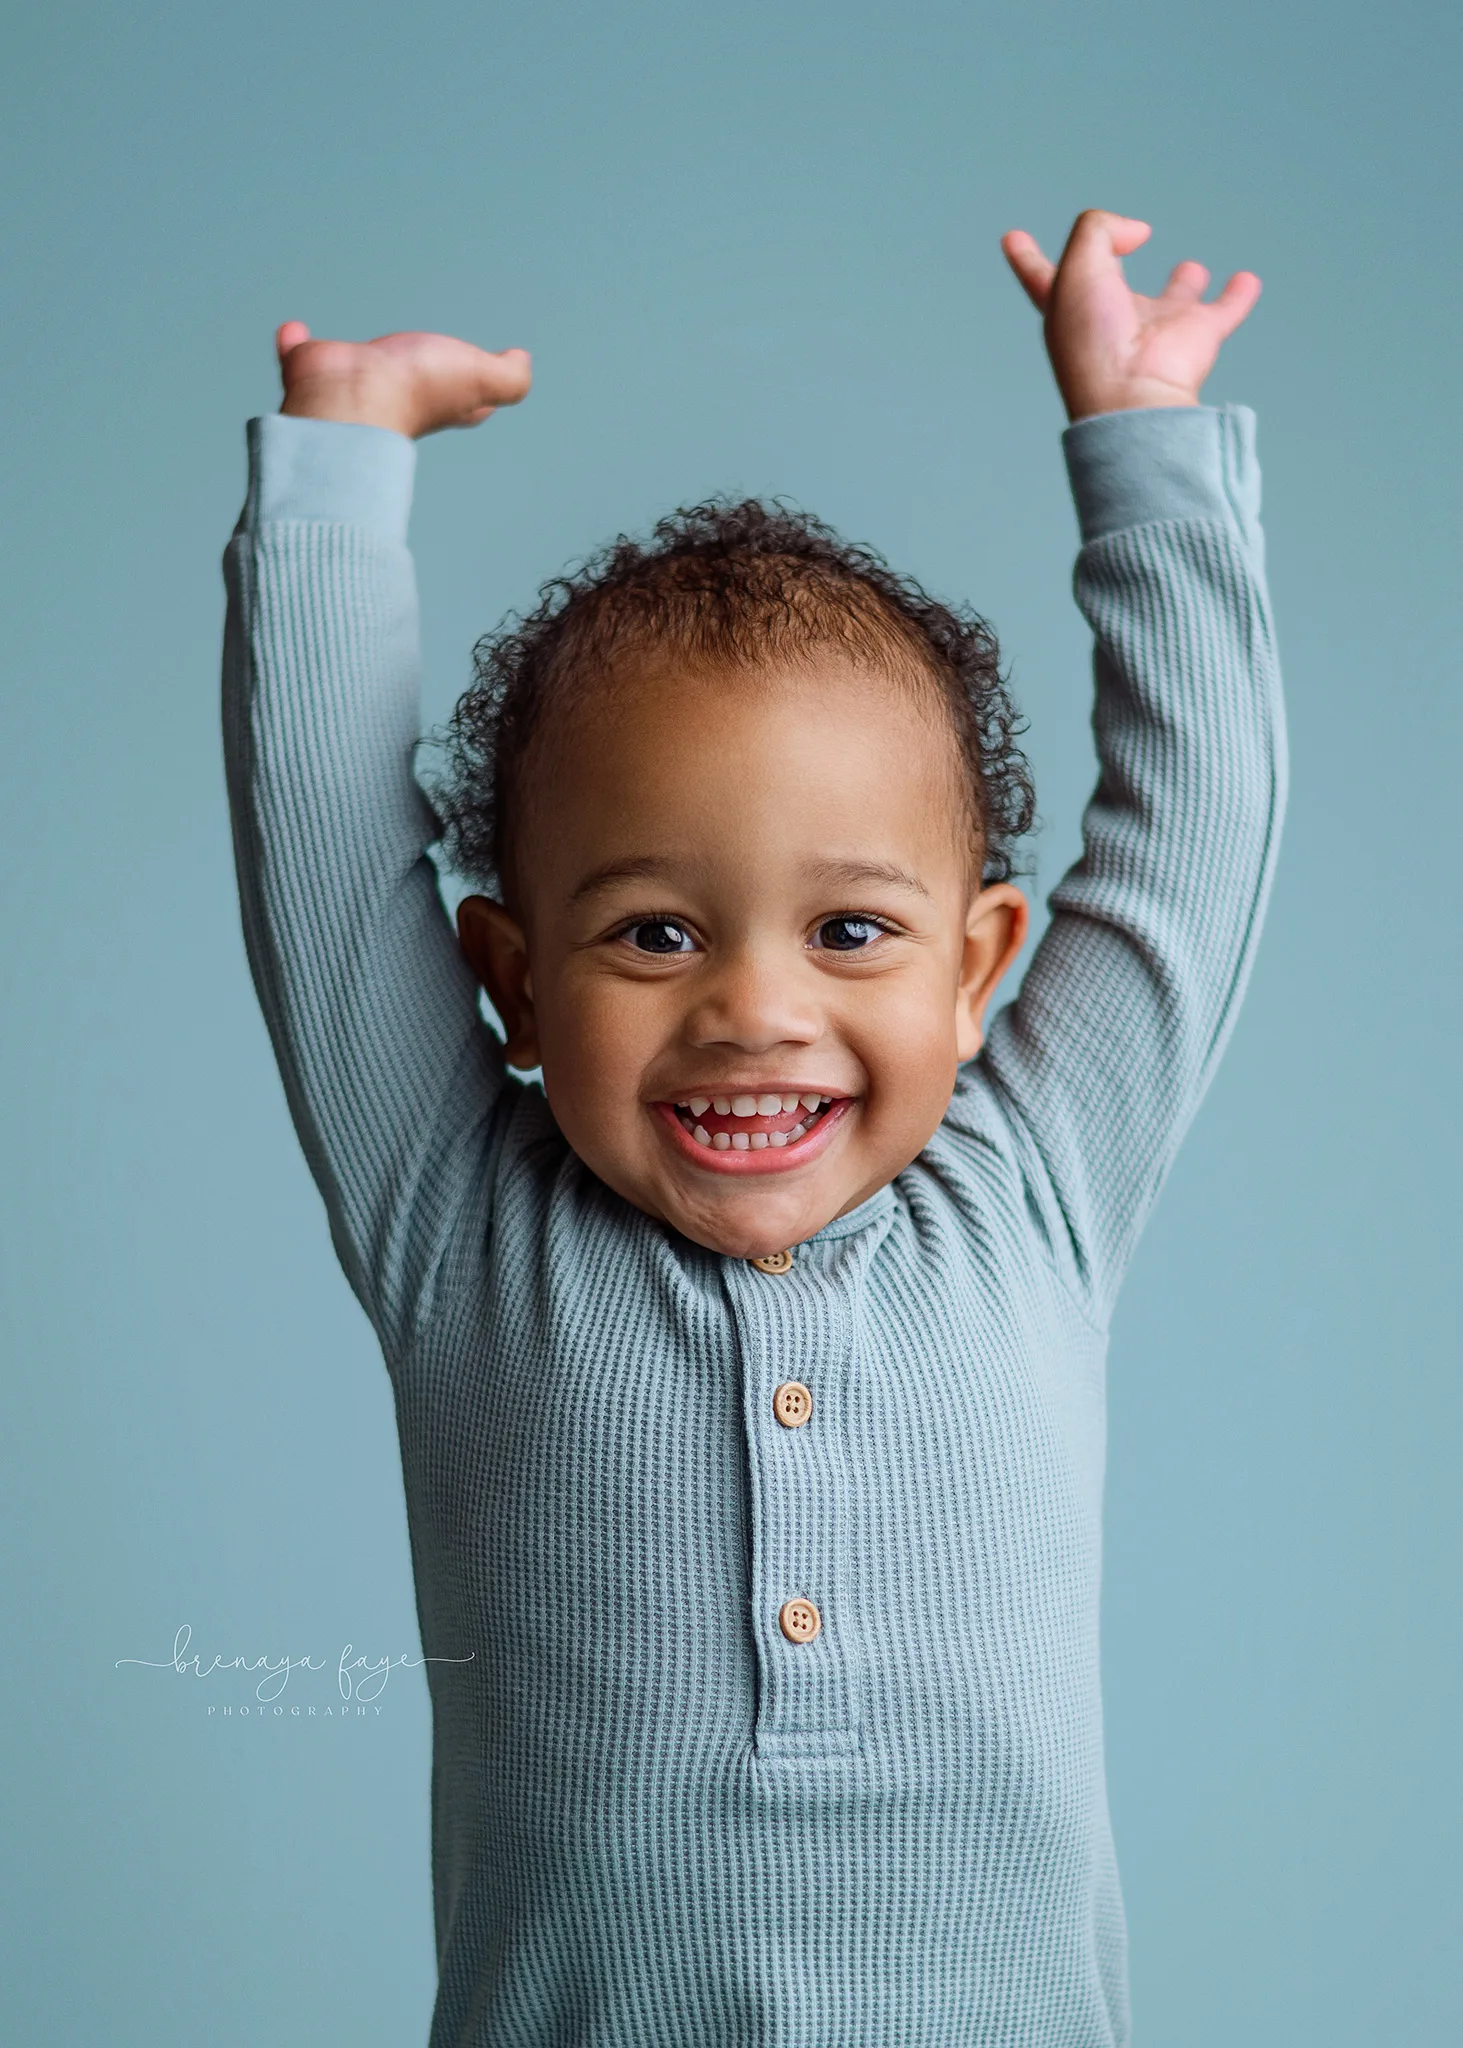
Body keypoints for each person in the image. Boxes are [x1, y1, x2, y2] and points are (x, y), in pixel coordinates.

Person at [222, 208, 1284, 2046]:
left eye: (851, 930)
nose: (755, 1009)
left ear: (980, 969)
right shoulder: (463, 1227)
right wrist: (334, 468)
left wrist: (1148, 454)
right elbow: (323, 853)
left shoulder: (1030, 1195)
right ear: (515, 980)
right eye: (653, 931)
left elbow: (1192, 835)